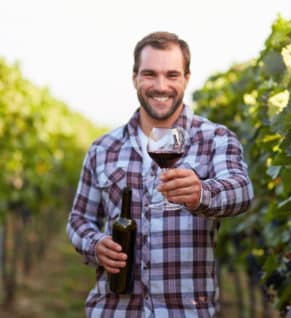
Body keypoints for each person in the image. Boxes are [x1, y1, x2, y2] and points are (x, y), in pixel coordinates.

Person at [67, 31, 254, 318]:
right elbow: (79, 219)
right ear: (134, 78)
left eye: (172, 75)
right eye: (150, 74)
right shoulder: (103, 148)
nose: (161, 85)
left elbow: (241, 191)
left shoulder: (216, 139)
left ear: (187, 79)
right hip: (114, 311)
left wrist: (201, 193)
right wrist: (95, 244)